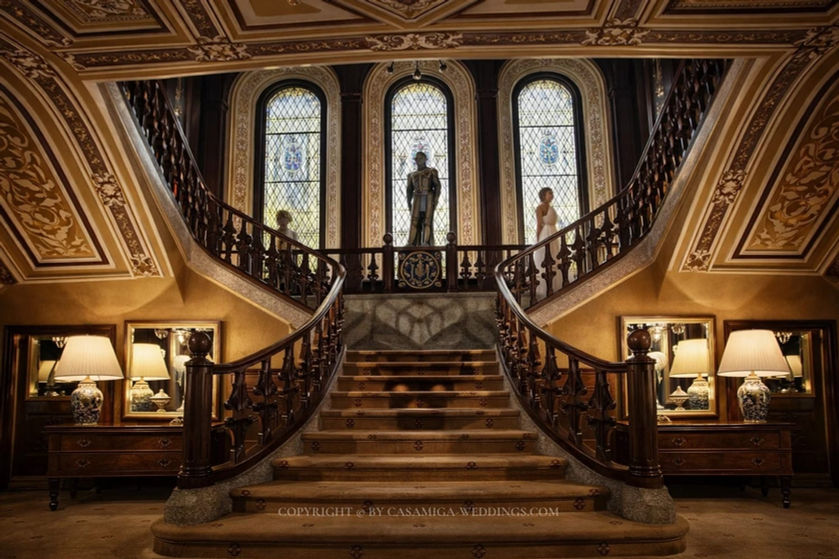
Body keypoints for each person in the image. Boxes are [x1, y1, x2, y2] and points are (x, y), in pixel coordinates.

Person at [406, 151, 441, 246]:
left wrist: (436, 199)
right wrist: (409, 203)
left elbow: (437, 186)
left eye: (421, 158)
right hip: (417, 198)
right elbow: (409, 190)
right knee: (414, 221)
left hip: (428, 197)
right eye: (417, 159)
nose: (419, 161)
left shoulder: (431, 171)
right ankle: (411, 243)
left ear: (425, 159)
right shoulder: (411, 175)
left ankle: (426, 242)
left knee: (427, 221)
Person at [532, 187, 561, 296]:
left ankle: (556, 284)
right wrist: (538, 239)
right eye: (550, 193)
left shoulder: (551, 207)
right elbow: (539, 224)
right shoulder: (540, 208)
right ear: (544, 195)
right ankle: (545, 287)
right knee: (546, 257)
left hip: (554, 232)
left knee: (555, 257)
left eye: (552, 193)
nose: (552, 195)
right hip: (546, 233)